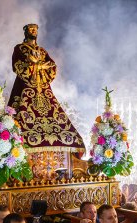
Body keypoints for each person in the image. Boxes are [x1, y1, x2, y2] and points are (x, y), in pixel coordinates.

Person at [7, 23, 85, 153]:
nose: (33, 31)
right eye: (31, 29)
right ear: (25, 31)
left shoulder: (42, 51)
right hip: (24, 86)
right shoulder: (19, 48)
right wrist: (33, 65)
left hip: (42, 88)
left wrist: (40, 65)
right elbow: (17, 65)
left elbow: (52, 66)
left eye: (35, 29)